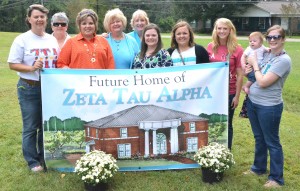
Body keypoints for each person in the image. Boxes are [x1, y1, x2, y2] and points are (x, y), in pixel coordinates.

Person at [7, 4, 59, 172]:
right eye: (35, 16)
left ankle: (44, 157)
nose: (39, 19)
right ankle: (32, 161)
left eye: (42, 16)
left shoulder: (51, 39)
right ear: (29, 19)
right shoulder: (22, 39)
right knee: (31, 126)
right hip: (29, 87)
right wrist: (31, 68)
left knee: (45, 125)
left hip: (48, 88)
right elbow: (12, 64)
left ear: (46, 19)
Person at [244, 25, 291, 188]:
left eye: (276, 37)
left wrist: (255, 64)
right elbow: (252, 74)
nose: (272, 40)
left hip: (269, 107)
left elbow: (263, 82)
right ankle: (258, 168)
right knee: (259, 138)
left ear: (283, 39)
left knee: (272, 141)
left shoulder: (283, 60)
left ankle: (277, 179)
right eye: (269, 37)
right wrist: (249, 69)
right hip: (253, 102)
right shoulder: (266, 54)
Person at [206, 18, 243, 150]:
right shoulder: (210, 47)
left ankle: (226, 152)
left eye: (225, 29)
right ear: (215, 30)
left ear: (230, 30)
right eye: (219, 28)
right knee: (212, 121)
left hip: (229, 92)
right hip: (212, 92)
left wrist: (237, 96)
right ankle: (212, 149)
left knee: (227, 123)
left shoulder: (237, 49)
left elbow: (240, 74)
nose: (221, 31)